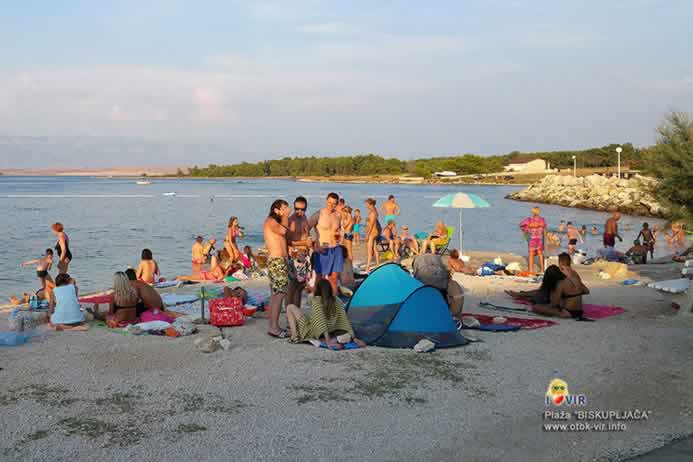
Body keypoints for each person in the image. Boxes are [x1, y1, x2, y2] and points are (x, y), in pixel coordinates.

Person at [285, 279, 365, 348]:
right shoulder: (337, 300)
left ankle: (295, 336)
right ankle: (294, 333)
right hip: (330, 331)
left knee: (290, 307)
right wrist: (354, 338)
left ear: (318, 289)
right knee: (306, 315)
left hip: (314, 332)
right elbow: (344, 320)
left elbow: (319, 320)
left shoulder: (316, 300)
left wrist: (328, 340)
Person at [506, 258, 589, 319]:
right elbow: (585, 291)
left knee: (536, 307)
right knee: (542, 296)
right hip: (579, 311)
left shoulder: (559, 284)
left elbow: (554, 304)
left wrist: (542, 304)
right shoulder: (571, 277)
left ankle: (521, 295)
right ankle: (521, 294)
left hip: (568, 313)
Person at [263, 199, 291, 338]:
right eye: (284, 208)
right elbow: (282, 232)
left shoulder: (277, 221)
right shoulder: (271, 221)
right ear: (276, 210)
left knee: (276, 294)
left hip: (280, 261)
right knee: (279, 294)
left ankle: (273, 325)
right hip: (276, 261)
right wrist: (286, 216)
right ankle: (273, 327)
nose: (287, 209)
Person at [287, 196, 313, 308]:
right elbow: (287, 241)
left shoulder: (304, 218)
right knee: (291, 288)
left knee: (300, 287)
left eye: (302, 209)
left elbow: (306, 235)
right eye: (297, 208)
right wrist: (303, 243)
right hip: (294, 257)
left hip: (304, 257)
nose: (299, 211)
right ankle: (289, 314)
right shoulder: (290, 221)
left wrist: (310, 243)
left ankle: (296, 312)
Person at [315, 192, 344, 295]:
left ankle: (334, 304)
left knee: (334, 278)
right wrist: (315, 244)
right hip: (323, 248)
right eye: (329, 203)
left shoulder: (337, 215)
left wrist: (340, 235)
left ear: (337, 204)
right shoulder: (319, 214)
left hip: (335, 248)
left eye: (334, 204)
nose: (331, 205)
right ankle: (316, 303)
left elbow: (340, 230)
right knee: (320, 278)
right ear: (326, 201)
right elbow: (306, 227)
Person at [520, 207, 547, 274]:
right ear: (539, 212)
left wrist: (528, 228)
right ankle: (542, 269)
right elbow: (544, 229)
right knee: (540, 254)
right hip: (540, 239)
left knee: (531, 254)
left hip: (532, 239)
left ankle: (531, 270)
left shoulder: (529, 220)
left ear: (532, 212)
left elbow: (521, 225)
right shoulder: (542, 220)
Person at [364, 197, 381, 272]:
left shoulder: (373, 212)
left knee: (369, 249)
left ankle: (367, 267)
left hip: (372, 232)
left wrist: (368, 234)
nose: (366, 206)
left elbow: (372, 224)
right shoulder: (373, 211)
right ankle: (377, 264)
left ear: (370, 204)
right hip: (373, 232)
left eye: (366, 204)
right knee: (374, 248)